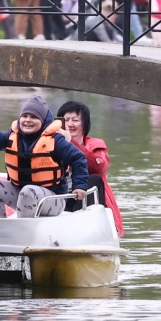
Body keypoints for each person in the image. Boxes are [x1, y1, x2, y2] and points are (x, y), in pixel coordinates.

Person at [0, 95, 90, 218]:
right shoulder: (13, 136)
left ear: (44, 121)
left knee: (28, 191)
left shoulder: (56, 140)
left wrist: (80, 186)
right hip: (22, 195)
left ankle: (21, 229)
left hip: (53, 198)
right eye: (24, 116)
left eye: (34, 117)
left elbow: (78, 158)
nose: (28, 120)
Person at [56, 100, 122, 235]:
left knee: (94, 179)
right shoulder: (50, 144)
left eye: (75, 120)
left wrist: (70, 143)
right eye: (66, 120)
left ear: (85, 124)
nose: (69, 124)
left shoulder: (97, 145)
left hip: (85, 197)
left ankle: (88, 228)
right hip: (60, 195)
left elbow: (99, 168)